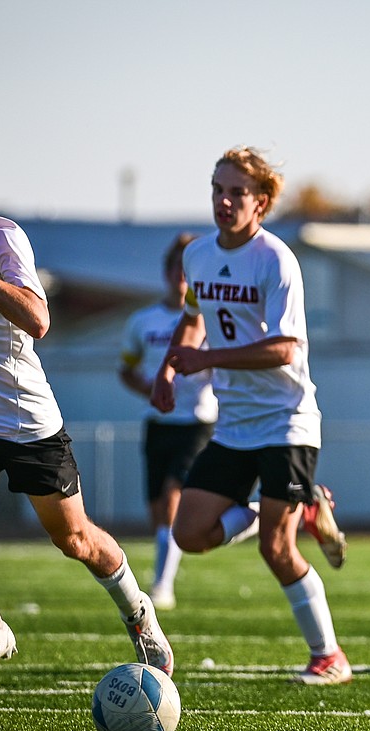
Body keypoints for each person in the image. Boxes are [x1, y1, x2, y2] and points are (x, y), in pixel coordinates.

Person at [0, 115, 172, 688]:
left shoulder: (1, 238)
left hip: (26, 420)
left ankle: (139, 611)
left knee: (76, 540)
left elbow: (39, 319)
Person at [150, 146, 350, 684]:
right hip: (236, 423)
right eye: (217, 188)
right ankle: (300, 505)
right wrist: (170, 371)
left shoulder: (276, 259)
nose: (223, 200)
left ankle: (330, 657)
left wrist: (206, 359)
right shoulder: (197, 255)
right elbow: (193, 319)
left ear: (260, 202)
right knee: (188, 532)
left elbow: (286, 349)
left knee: (276, 550)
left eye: (236, 191)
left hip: (288, 420)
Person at [118, 233, 218, 610]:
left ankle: (163, 584)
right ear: (166, 272)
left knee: (175, 497)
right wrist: (149, 387)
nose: (181, 275)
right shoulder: (143, 321)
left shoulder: (207, 317)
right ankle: (164, 573)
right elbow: (126, 369)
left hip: (196, 421)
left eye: (186, 268)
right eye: (176, 267)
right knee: (158, 508)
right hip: (158, 421)